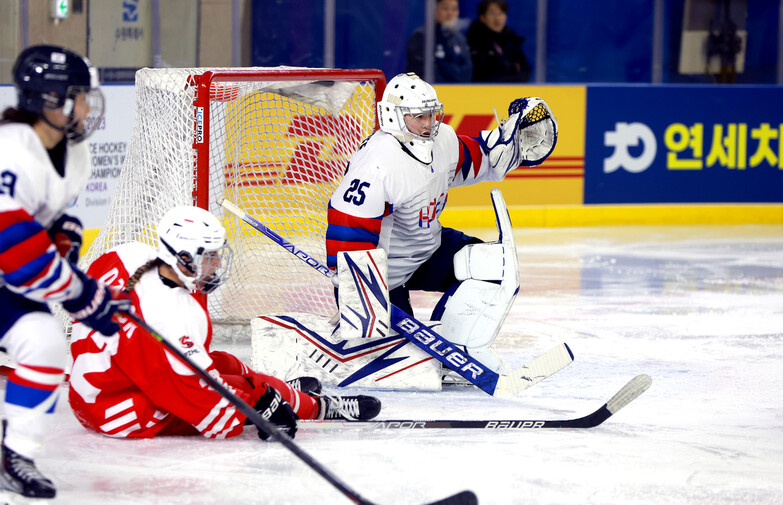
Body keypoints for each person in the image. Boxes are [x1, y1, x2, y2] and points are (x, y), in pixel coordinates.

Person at [68, 206, 381, 444]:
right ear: (183, 257)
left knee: (225, 363)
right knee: (245, 391)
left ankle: (280, 391)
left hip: (111, 380)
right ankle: (317, 407)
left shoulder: (127, 256)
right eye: (211, 256)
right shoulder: (173, 316)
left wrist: (262, 400)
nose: (218, 264)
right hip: (122, 411)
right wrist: (259, 409)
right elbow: (209, 409)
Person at [325, 72, 557, 374]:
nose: (429, 123)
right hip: (385, 275)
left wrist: (505, 145)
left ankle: (453, 348)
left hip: (428, 251)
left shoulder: (443, 138)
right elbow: (348, 231)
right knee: (396, 363)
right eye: (419, 116)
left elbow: (476, 158)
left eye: (433, 114)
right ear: (393, 117)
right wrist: (358, 294)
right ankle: (394, 348)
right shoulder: (378, 164)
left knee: (493, 267)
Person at [0, 44, 132, 499]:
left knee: (45, 344)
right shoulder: (9, 152)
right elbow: (16, 255)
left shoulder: (74, 153)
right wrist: (84, 295)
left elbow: (56, 217)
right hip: (7, 273)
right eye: (78, 96)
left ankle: (14, 453)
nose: (87, 107)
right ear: (49, 100)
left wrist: (66, 239)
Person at [405, 0, 473, 83]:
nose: (450, 14)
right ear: (434, 9)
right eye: (445, 8)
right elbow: (421, 73)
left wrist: (443, 65)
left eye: (454, 9)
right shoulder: (422, 36)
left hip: (458, 93)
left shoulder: (460, 39)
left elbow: (467, 74)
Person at [466, 0, 531, 83]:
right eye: (492, 13)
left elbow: (525, 70)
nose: (497, 18)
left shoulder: (512, 39)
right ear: (482, 17)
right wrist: (511, 67)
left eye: (501, 13)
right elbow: (482, 72)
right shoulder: (474, 40)